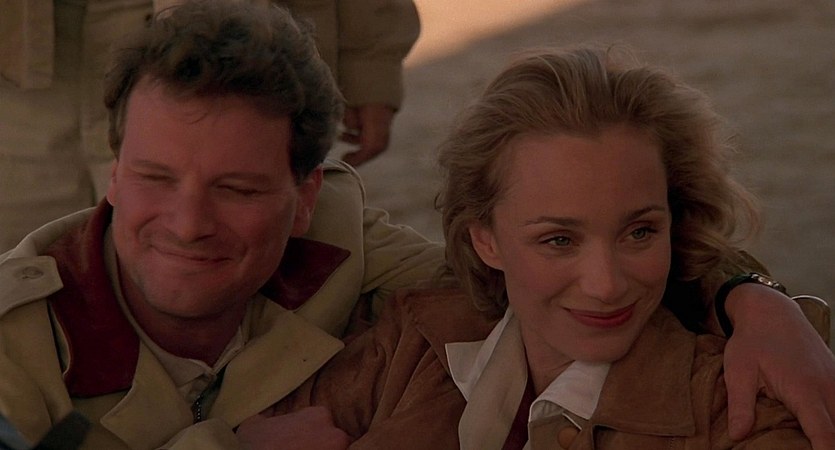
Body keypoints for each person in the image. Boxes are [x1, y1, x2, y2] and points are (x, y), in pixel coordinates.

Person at [0, 2, 831, 448]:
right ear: (113, 173)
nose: (188, 223)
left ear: (303, 196)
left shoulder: (356, 256)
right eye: (154, 178)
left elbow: (554, 251)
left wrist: (752, 296)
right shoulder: (13, 342)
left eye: (238, 189)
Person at [269, 46, 835, 449]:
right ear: (485, 239)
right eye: (559, 240)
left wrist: (759, 299)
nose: (605, 285)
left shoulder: (739, 415)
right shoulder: (407, 343)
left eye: (640, 232)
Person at [0, 0, 419, 252]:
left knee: (233, 268)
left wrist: (371, 59)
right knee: (31, 278)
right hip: (25, 54)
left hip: (241, 41)